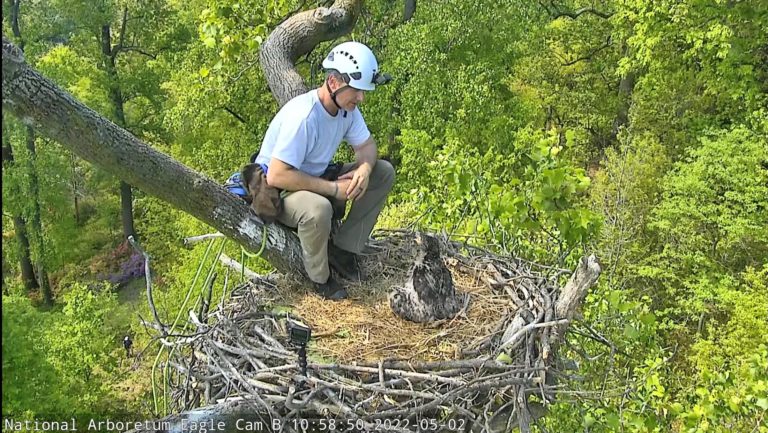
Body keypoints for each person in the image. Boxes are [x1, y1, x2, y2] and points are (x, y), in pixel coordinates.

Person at [254, 41, 395, 301]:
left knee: (382, 171)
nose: (361, 98)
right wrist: (332, 189)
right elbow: (277, 175)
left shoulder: (346, 111)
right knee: (320, 208)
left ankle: (343, 251)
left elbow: (367, 146)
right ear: (333, 83)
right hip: (280, 192)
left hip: (313, 177)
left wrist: (364, 168)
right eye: (356, 91)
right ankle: (320, 279)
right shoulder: (304, 117)